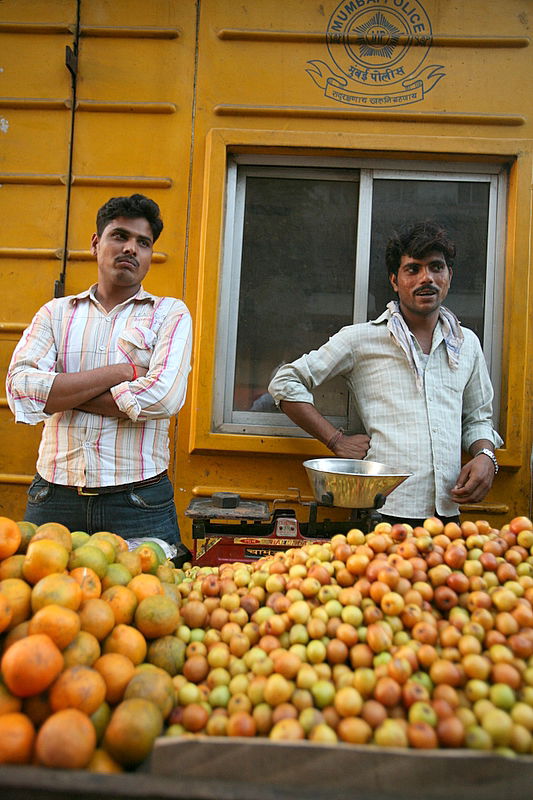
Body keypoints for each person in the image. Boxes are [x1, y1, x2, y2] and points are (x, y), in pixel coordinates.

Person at [268, 221, 503, 527]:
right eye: (413, 269)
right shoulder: (362, 339)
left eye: (436, 267)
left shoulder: (466, 343)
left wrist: (486, 457)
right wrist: (335, 439)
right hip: (384, 513)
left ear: (449, 276)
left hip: (448, 513)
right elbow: (285, 382)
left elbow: (477, 418)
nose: (426, 278)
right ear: (394, 280)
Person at [6, 194, 192, 551]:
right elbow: (20, 389)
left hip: (138, 501)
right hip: (53, 497)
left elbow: (162, 399)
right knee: (43, 602)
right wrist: (121, 372)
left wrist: (61, 395)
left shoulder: (169, 314)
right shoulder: (55, 314)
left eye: (143, 242)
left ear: (151, 254)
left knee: (150, 602)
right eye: (119, 236)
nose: (131, 249)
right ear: (96, 243)